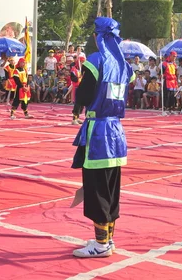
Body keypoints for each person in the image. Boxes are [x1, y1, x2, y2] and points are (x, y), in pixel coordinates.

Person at [71, 17, 134, 258]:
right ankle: (107, 238)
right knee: (111, 188)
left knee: (97, 189)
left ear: (98, 36)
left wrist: (78, 86)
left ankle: (100, 245)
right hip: (116, 132)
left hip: (98, 133)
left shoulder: (96, 61)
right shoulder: (124, 66)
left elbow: (85, 96)